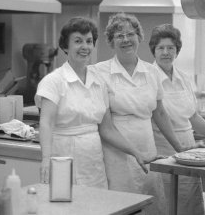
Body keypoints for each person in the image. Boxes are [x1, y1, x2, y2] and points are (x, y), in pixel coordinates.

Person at [92, 13, 193, 215]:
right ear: (111, 42)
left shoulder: (151, 72)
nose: (126, 39)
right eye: (119, 35)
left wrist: (180, 150)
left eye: (131, 34)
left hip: (148, 149)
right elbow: (105, 127)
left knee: (151, 205)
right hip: (117, 155)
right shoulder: (99, 72)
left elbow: (160, 113)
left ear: (139, 37)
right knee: (123, 206)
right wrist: (135, 154)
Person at [35, 17, 151, 188]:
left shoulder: (98, 81)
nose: (85, 46)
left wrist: (136, 152)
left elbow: (107, 129)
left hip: (93, 165)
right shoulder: (54, 81)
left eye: (89, 41)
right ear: (66, 46)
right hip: (62, 159)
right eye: (78, 41)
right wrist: (46, 158)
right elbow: (46, 122)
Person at [149, 23, 205, 215]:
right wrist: (179, 148)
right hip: (163, 151)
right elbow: (159, 115)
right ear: (153, 51)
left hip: (190, 151)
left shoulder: (184, 78)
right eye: (160, 48)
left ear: (177, 51)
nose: (165, 52)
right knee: (167, 205)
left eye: (170, 48)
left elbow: (193, 116)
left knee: (190, 203)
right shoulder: (148, 77)